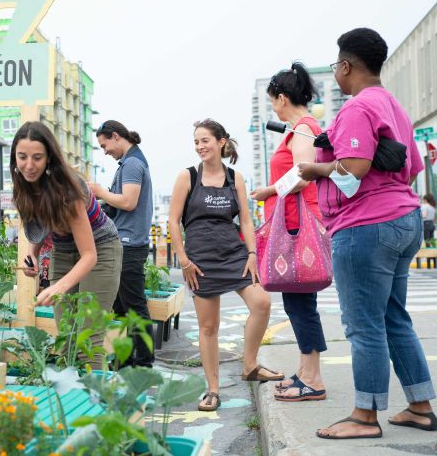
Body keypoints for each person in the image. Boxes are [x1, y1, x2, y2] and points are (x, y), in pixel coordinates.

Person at [298, 28, 436, 439]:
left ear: (345, 66)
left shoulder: (358, 108)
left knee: (364, 325)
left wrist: (315, 169)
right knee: (394, 318)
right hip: (403, 219)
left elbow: (353, 168)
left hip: (365, 227)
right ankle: (419, 406)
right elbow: (411, 167)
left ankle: (363, 416)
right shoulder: (394, 106)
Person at [169, 119, 283, 412]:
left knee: (262, 303)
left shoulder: (235, 177)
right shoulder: (188, 176)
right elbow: (172, 220)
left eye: (205, 140)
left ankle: (249, 365)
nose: (199, 146)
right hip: (200, 259)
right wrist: (183, 260)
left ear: (221, 142)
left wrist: (252, 254)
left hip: (234, 253)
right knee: (209, 327)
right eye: (196, 141)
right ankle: (213, 389)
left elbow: (245, 219)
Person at [12, 121, 122, 366]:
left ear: (49, 158)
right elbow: (38, 229)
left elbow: (89, 255)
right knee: (67, 340)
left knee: (87, 342)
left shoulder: (67, 190)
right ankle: (73, 400)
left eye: (37, 158)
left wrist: (59, 286)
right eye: (22, 157)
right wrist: (33, 257)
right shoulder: (23, 187)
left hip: (100, 249)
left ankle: (95, 403)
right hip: (63, 251)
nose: (29, 165)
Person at [250, 63, 327, 402]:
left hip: (298, 225)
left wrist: (268, 191)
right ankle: (305, 370)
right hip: (294, 222)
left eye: (273, 102)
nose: (274, 109)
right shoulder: (301, 128)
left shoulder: (304, 128)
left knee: (300, 303)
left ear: (282, 99)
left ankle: (313, 377)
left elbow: (303, 175)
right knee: (298, 301)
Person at [89, 120, 155, 368]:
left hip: (129, 243)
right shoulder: (131, 162)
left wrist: (99, 191)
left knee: (133, 305)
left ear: (116, 136)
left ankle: (143, 361)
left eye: (105, 145)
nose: (105, 151)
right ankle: (127, 359)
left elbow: (128, 202)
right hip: (127, 242)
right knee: (121, 305)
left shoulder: (132, 164)